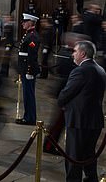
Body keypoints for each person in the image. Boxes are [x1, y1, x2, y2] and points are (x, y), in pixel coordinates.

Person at [58, 40, 105, 182]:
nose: (73, 54)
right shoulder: (101, 69)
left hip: (78, 121)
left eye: (75, 51)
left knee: (74, 157)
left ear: (83, 54)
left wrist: (61, 102)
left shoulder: (80, 71)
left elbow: (66, 94)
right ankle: (91, 179)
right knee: (89, 155)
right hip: (94, 121)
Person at [43, 33, 86, 156]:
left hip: (66, 93)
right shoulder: (69, 55)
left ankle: (50, 144)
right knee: (58, 122)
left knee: (60, 122)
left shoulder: (65, 52)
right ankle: (48, 145)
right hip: (66, 93)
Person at [15, 13, 40, 125]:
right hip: (24, 69)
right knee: (27, 94)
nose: (22, 23)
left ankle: (30, 118)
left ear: (30, 22)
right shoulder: (28, 35)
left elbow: (32, 56)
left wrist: (29, 71)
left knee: (29, 94)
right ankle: (28, 116)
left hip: (28, 70)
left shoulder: (33, 36)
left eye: (25, 21)